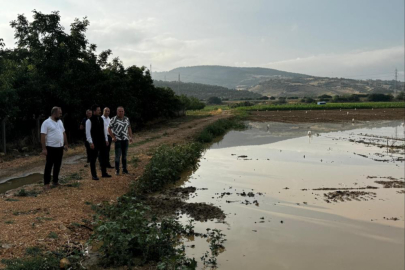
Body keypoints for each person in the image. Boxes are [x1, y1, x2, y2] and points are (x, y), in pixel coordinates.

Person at [41, 106, 68, 190]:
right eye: (59, 113)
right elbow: (43, 136)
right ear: (54, 113)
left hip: (60, 147)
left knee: (58, 165)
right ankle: (46, 183)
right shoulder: (46, 122)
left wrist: (66, 143)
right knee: (49, 165)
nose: (61, 114)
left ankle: (55, 181)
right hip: (50, 147)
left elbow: (63, 133)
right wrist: (44, 148)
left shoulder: (60, 122)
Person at [86, 105, 111, 180]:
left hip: (102, 141)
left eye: (100, 110)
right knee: (93, 159)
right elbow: (88, 133)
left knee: (103, 157)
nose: (99, 111)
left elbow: (104, 130)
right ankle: (94, 175)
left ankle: (104, 173)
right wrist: (90, 142)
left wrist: (106, 139)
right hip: (94, 142)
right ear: (94, 111)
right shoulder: (89, 121)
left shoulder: (101, 119)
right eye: (98, 110)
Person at [108, 106, 133, 175]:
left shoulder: (126, 119)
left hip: (125, 139)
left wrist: (130, 137)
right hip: (118, 140)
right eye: (119, 111)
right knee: (117, 156)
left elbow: (129, 128)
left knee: (124, 156)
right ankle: (117, 170)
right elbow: (109, 129)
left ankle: (124, 169)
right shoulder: (113, 119)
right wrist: (113, 137)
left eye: (122, 111)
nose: (121, 112)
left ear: (124, 112)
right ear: (117, 112)